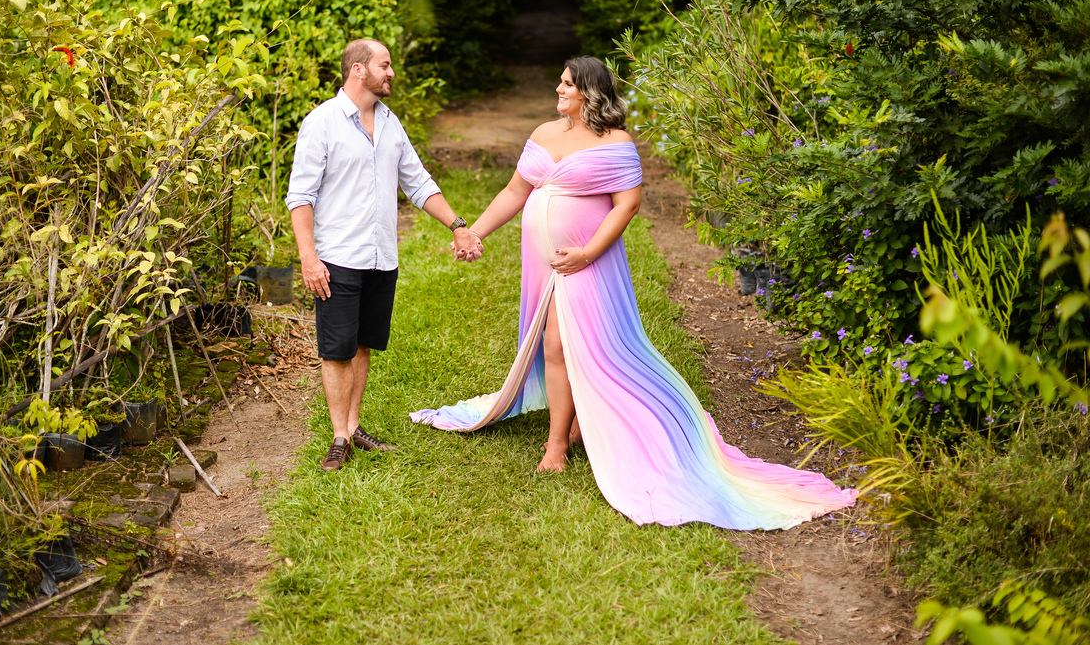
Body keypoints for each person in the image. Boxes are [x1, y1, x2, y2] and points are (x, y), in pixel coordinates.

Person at [412, 56, 857, 528]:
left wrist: (587, 252)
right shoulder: (544, 134)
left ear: (589, 92)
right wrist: (474, 233)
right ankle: (577, 422)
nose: (558, 89)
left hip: (585, 261)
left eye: (566, 84)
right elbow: (514, 192)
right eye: (560, 82)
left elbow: (627, 206)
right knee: (562, 347)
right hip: (543, 265)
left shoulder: (616, 142)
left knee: (565, 346)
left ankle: (557, 445)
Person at [287, 38, 482, 471]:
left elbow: (419, 183)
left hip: (381, 258)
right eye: (385, 65)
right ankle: (338, 437)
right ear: (359, 70)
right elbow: (300, 197)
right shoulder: (322, 123)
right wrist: (308, 258)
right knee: (336, 350)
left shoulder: (391, 124)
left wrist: (458, 225)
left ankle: (354, 427)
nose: (391, 73)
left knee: (362, 345)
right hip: (337, 257)